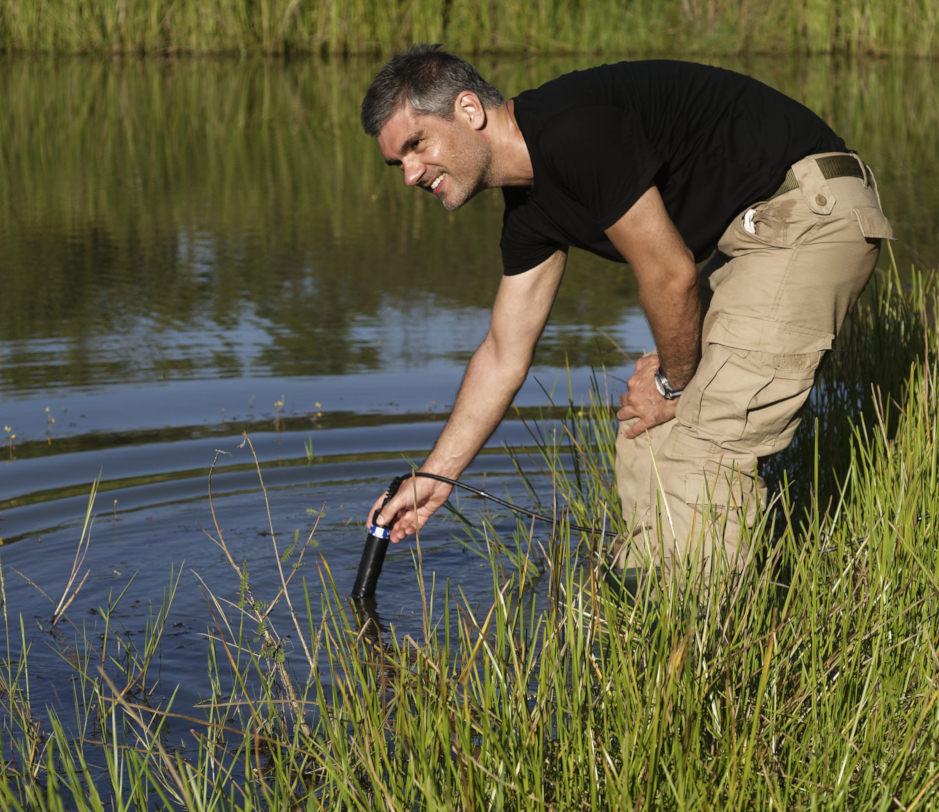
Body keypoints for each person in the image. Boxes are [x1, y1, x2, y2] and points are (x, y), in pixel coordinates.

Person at [362, 45, 894, 587]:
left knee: (703, 438)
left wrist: (672, 381)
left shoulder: (573, 136)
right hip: (759, 234)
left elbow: (671, 275)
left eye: (415, 144)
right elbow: (503, 353)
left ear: (469, 111)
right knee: (646, 426)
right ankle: (647, 610)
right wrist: (437, 474)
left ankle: (702, 642)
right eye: (396, 162)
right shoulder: (531, 212)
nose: (408, 175)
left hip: (811, 210)